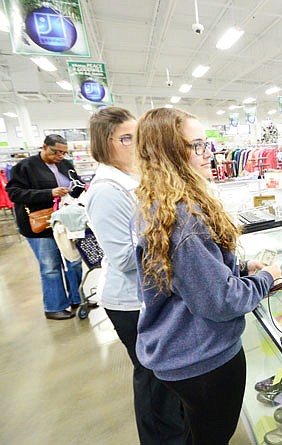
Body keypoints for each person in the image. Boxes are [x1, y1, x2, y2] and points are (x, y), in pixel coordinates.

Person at [134, 107, 282, 444]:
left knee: (195, 431)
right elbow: (220, 301)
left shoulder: (155, 203)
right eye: (198, 145)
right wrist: (266, 278)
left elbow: (180, 274)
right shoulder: (185, 216)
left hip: (177, 352)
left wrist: (238, 269)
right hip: (203, 361)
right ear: (172, 151)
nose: (208, 153)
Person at [85, 107, 187, 444]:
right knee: (154, 383)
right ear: (105, 143)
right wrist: (171, 231)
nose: (134, 144)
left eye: (136, 136)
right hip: (130, 302)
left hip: (149, 295)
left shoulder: (132, 178)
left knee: (166, 381)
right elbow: (126, 258)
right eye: (125, 138)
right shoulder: (106, 190)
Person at [6, 134, 86, 320]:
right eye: (56, 152)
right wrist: (48, 193)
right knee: (50, 266)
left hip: (66, 222)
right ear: (44, 147)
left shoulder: (65, 165)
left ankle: (78, 299)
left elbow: (77, 182)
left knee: (74, 261)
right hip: (40, 225)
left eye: (63, 153)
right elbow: (14, 193)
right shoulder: (25, 167)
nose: (59, 156)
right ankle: (54, 306)